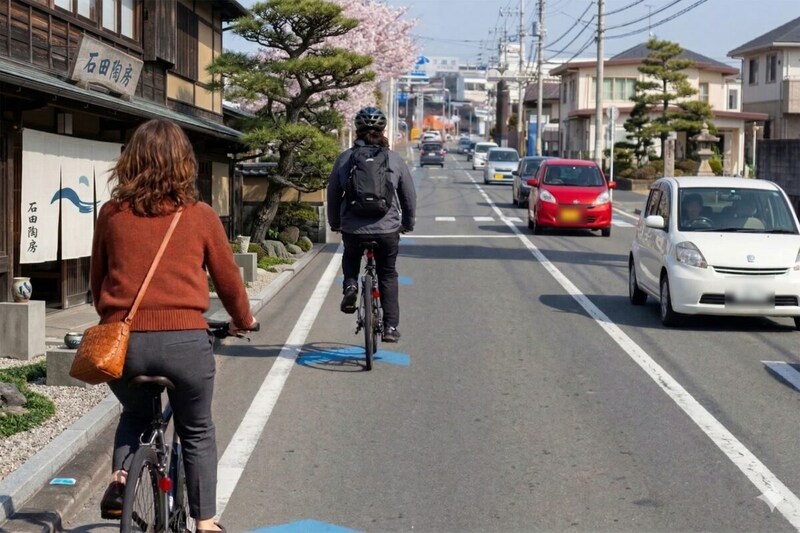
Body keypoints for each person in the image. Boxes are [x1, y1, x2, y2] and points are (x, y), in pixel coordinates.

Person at [92, 119, 256, 533]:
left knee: (135, 412)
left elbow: (98, 283)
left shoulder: (111, 215)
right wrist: (243, 320)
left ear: (130, 162)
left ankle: (120, 481)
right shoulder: (199, 215)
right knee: (197, 430)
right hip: (185, 342)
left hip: (125, 343)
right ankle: (205, 522)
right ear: (185, 164)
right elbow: (228, 281)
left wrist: (114, 316)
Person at [327, 106, 417, 342]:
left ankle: (350, 286)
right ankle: (390, 328)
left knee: (351, 256)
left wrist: (335, 222)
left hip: (354, 228)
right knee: (387, 274)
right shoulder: (394, 159)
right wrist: (407, 223)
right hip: (387, 229)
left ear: (357, 130)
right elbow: (408, 195)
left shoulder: (345, 158)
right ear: (383, 130)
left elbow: (334, 193)